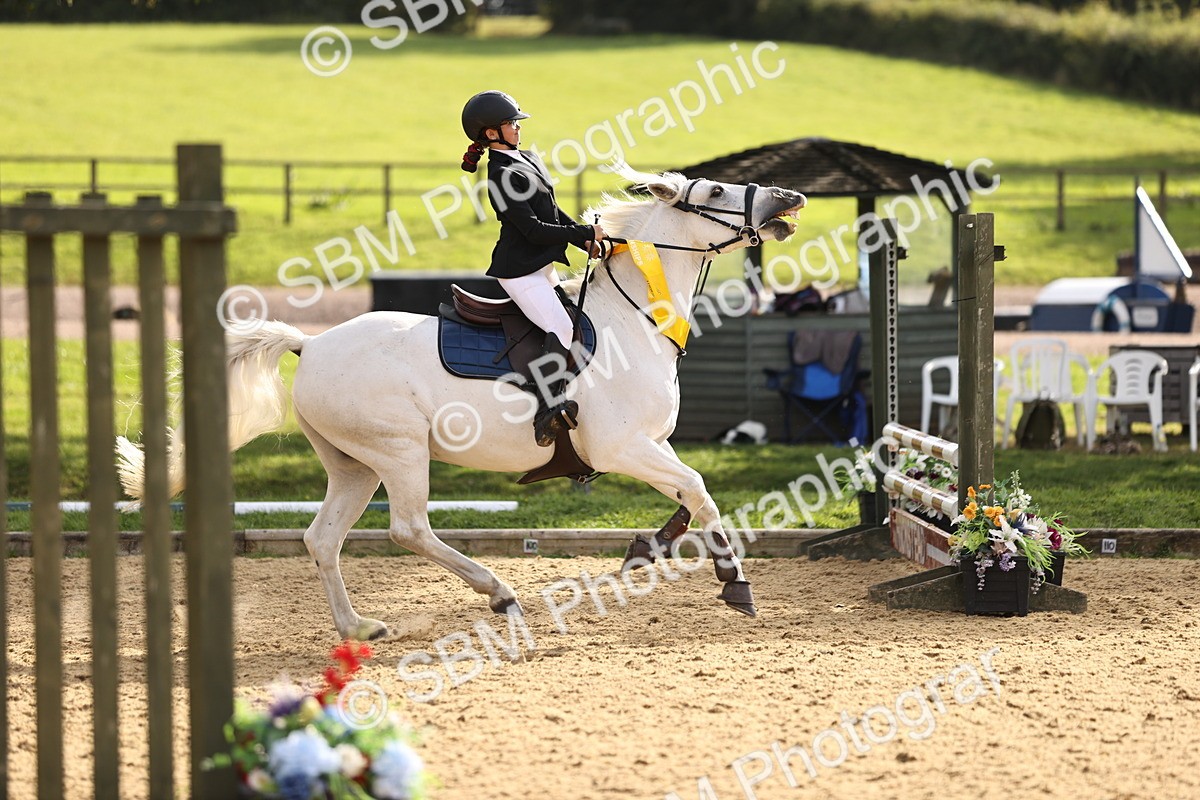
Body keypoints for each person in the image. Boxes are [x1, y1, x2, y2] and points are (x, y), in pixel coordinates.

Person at [460, 90, 606, 447]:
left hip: (540, 267)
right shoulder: (500, 175)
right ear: (491, 133)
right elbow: (533, 230)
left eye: (515, 122)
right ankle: (545, 412)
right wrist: (583, 232)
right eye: (511, 123)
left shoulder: (525, 157)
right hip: (520, 271)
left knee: (573, 320)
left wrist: (582, 239)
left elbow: (551, 211)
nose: (517, 128)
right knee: (561, 325)